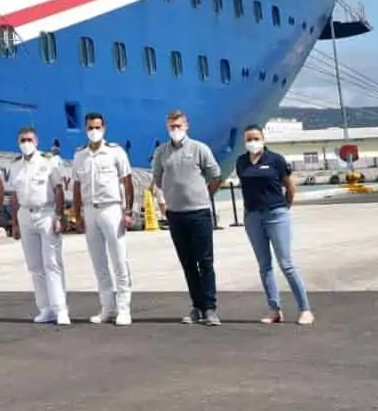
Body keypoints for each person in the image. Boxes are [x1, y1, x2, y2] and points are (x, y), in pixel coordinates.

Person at [150, 109, 224, 326]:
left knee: (205, 262)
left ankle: (210, 308)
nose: (175, 130)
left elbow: (216, 175)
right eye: (172, 126)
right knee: (188, 263)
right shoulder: (162, 153)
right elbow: (157, 179)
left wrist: (205, 194)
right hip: (176, 215)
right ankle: (197, 307)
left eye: (179, 126)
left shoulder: (199, 149)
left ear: (186, 126)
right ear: (167, 127)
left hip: (199, 213)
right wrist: (165, 201)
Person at [237, 123, 314, 325]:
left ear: (263, 139)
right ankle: (274, 309)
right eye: (248, 139)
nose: (252, 142)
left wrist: (284, 207)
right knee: (264, 266)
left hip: (276, 214)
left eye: (255, 138)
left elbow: (290, 187)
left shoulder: (275, 160)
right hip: (253, 216)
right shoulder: (241, 162)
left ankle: (305, 309)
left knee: (286, 263)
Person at [0, 124, 69, 325]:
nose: (26, 144)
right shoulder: (15, 166)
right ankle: (45, 308)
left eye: (29, 140)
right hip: (25, 215)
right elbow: (14, 195)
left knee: (52, 263)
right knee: (35, 266)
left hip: (46, 213)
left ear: (36, 142)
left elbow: (59, 190)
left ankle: (60, 309)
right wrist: (15, 223)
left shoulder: (49, 163)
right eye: (22, 141)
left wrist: (59, 216)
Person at [70, 111, 134, 325]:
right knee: (99, 262)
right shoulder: (80, 155)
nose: (93, 131)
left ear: (104, 128)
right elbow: (77, 186)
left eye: (97, 127)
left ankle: (124, 308)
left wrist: (128, 211)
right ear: (85, 129)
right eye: (90, 127)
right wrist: (76, 213)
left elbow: (127, 181)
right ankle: (107, 307)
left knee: (119, 260)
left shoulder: (115, 152)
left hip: (111, 208)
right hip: (90, 210)